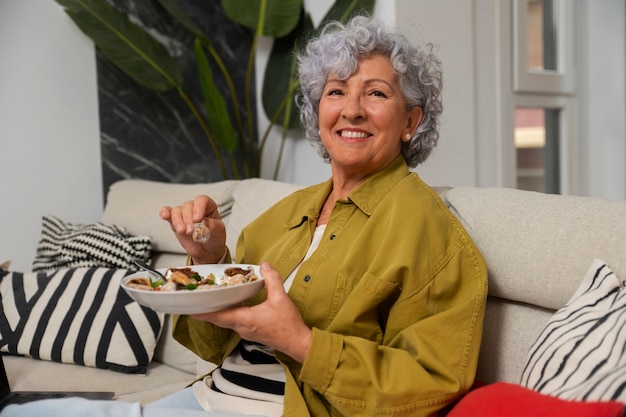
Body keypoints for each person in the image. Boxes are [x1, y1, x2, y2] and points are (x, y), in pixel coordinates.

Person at [0, 15, 487, 417]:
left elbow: (432, 386)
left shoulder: (432, 235)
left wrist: (302, 343)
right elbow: (214, 346)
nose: (352, 110)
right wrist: (208, 259)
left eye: (376, 94)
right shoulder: (286, 214)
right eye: (336, 92)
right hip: (202, 399)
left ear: (411, 121)